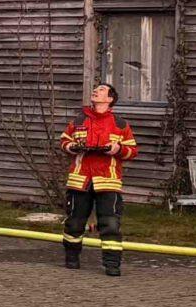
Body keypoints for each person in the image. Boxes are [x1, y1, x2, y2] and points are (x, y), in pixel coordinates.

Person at [58, 82, 139, 276]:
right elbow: (64, 141)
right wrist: (72, 147)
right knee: (74, 222)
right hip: (80, 180)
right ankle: (71, 259)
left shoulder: (120, 124)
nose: (95, 91)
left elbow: (132, 150)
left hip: (108, 181)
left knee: (110, 224)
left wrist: (118, 149)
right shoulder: (79, 120)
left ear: (110, 99)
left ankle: (112, 265)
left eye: (101, 90)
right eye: (95, 89)